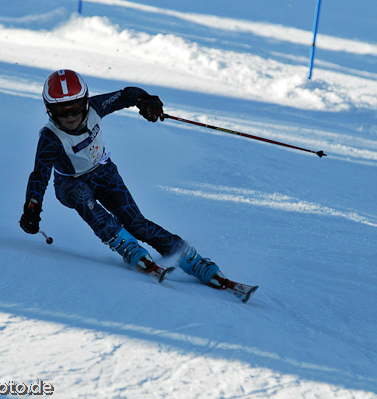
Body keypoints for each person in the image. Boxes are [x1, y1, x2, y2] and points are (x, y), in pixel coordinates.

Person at [20, 69, 227, 288]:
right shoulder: (50, 137)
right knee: (82, 197)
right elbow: (39, 176)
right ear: (49, 109)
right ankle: (126, 245)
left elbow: (126, 94)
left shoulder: (96, 107)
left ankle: (190, 258)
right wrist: (32, 209)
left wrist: (145, 100)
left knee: (137, 224)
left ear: (86, 101)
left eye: (75, 108)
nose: (71, 117)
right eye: (62, 110)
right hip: (70, 183)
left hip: (104, 172)